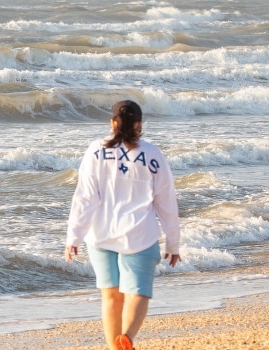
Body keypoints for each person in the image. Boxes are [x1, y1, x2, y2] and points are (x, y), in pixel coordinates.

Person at [64, 100, 181, 350]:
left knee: (110, 297)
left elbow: (86, 197)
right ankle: (126, 337)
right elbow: (166, 202)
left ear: (112, 123)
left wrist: (73, 236)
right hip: (139, 234)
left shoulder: (96, 150)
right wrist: (173, 243)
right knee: (138, 293)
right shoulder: (153, 154)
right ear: (139, 124)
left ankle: (115, 347)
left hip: (101, 235)